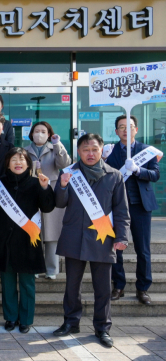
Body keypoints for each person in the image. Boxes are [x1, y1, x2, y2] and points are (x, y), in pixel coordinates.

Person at [54, 133, 130, 348]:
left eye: (94, 149)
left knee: (103, 287)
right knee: (72, 285)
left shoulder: (114, 176)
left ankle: (102, 327)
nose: (90, 153)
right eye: (85, 149)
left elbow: (122, 210)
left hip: (102, 237)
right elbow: (59, 203)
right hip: (75, 236)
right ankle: (71, 322)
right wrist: (61, 186)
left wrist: (122, 237)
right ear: (78, 151)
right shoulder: (69, 173)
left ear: (102, 150)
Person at [0, 147, 55, 333]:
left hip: (28, 240)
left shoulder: (36, 183)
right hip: (4, 240)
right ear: (8, 163)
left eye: (22, 160)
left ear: (28, 163)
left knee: (27, 283)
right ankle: (10, 318)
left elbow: (48, 207)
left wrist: (45, 188)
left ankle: (26, 319)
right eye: (14, 160)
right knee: (7, 282)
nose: (18, 163)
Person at [105, 115, 160, 306]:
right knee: (116, 248)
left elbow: (155, 175)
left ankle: (143, 288)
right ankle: (118, 285)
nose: (125, 130)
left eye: (129, 127)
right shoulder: (110, 152)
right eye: (121, 127)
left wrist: (138, 170)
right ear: (116, 131)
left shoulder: (146, 151)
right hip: (118, 207)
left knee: (143, 249)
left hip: (141, 207)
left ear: (136, 129)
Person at [25, 122, 72, 280]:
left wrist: (57, 144)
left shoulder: (55, 149)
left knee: (51, 233)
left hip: (51, 191)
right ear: (31, 134)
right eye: (36, 131)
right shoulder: (25, 151)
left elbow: (65, 164)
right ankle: (35, 266)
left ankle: (51, 269)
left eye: (43, 131)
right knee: (34, 230)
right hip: (31, 192)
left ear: (49, 134)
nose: (39, 134)